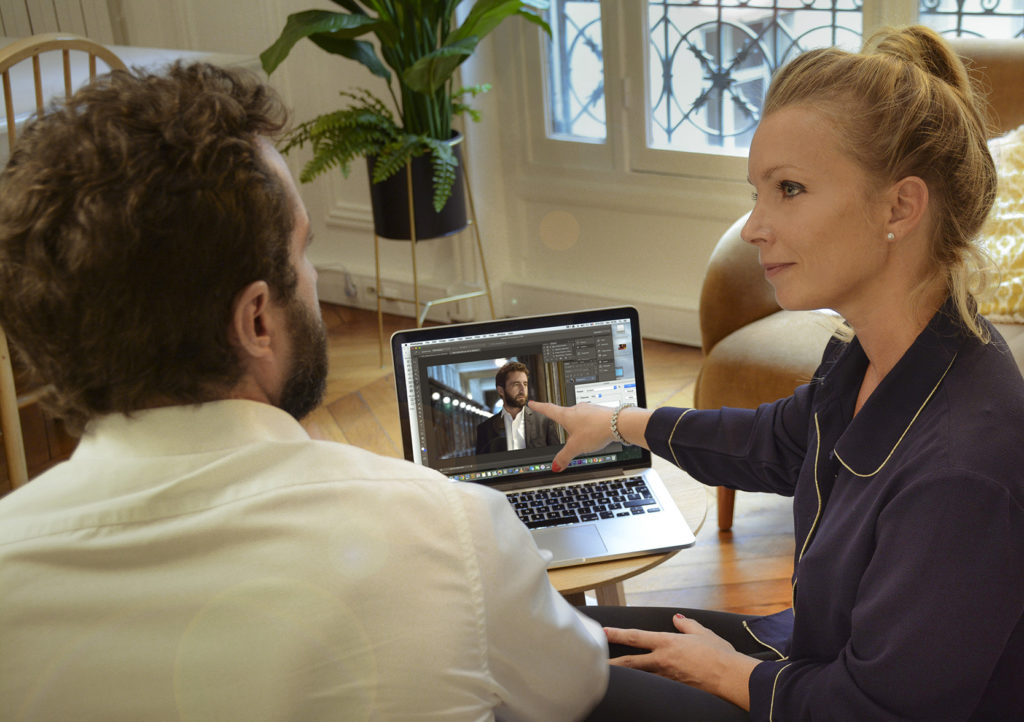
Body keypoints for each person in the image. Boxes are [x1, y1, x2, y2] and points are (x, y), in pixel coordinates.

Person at [0, 62, 609, 720]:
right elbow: (573, 689)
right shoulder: (448, 528)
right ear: (257, 321)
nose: (314, 278)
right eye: (304, 250)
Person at [535, 26, 1024, 722]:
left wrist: (730, 673)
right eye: (758, 192)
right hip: (810, 659)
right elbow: (775, 441)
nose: (753, 227)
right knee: (539, 639)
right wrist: (618, 424)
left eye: (789, 189)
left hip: (829, 701)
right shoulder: (878, 355)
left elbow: (877, 712)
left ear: (900, 206)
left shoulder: (961, 472)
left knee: (549, 687)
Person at [475, 361, 560, 454]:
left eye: (525, 384)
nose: (523, 390)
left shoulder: (543, 421)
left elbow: (557, 457)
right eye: (516, 384)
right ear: (501, 390)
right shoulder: (484, 429)